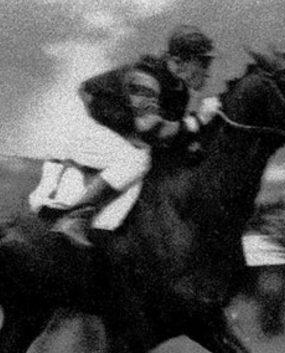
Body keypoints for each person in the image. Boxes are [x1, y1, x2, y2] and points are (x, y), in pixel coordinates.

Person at [49, 24, 222, 247]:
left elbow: (173, 136)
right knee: (138, 159)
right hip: (96, 113)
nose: (207, 71)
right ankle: (74, 217)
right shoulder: (146, 79)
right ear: (179, 62)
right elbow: (151, 129)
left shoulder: (180, 89)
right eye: (203, 63)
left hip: (127, 121)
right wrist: (197, 120)